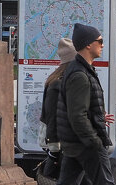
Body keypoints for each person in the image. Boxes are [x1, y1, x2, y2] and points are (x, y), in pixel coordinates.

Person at [56, 23, 113, 185]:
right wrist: (95, 141)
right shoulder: (80, 75)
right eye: (100, 41)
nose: (103, 45)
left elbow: (81, 109)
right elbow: (77, 115)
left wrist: (97, 116)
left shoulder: (80, 69)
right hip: (86, 144)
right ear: (89, 45)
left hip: (76, 142)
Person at [37, 38, 75, 185]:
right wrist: (54, 148)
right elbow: (51, 117)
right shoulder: (57, 84)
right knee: (54, 175)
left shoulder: (64, 80)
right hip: (57, 141)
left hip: (62, 140)